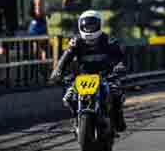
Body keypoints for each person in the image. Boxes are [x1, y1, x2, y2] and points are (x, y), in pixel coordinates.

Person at [50, 10, 127, 138]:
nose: (89, 29)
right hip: (82, 78)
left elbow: (120, 56)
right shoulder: (75, 42)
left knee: (116, 93)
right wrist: (57, 73)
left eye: (92, 26)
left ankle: (118, 119)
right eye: (87, 26)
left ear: (99, 25)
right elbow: (64, 59)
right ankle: (77, 121)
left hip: (105, 76)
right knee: (68, 98)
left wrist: (120, 65)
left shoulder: (108, 40)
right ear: (81, 26)